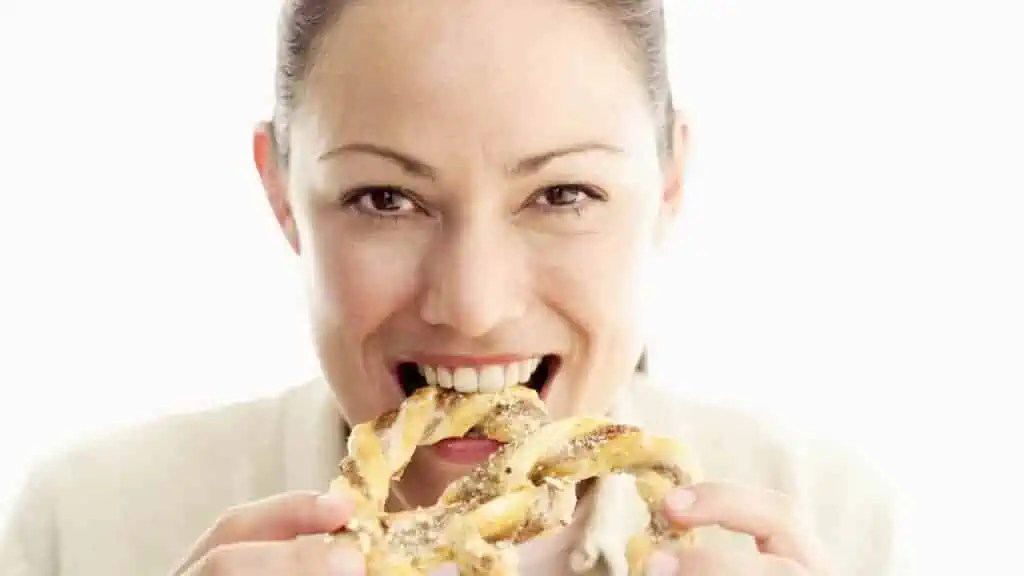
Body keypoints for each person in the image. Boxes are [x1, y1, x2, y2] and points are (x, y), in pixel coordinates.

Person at [0, 0, 900, 574]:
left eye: (563, 194)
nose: (472, 306)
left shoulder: (835, 518)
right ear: (281, 192)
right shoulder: (83, 528)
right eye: (385, 198)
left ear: (668, 184)